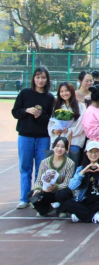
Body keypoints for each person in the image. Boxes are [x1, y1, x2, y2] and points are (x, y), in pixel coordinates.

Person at [12, 67, 56, 209]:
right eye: (37, 77)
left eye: (43, 77)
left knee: (41, 169)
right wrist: (26, 110)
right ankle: (24, 198)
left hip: (43, 137)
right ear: (33, 79)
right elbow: (15, 112)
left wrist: (40, 115)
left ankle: (37, 198)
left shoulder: (50, 98)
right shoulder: (25, 93)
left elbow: (51, 119)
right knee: (25, 168)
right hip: (25, 136)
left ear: (47, 79)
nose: (40, 80)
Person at [64, 141, 99, 224]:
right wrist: (82, 173)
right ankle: (94, 217)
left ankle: (81, 215)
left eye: (96, 151)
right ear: (86, 153)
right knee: (67, 203)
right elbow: (71, 186)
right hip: (85, 202)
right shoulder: (80, 169)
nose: (93, 154)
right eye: (91, 152)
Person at [31, 137, 75, 217]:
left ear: (66, 149)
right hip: (46, 191)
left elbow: (67, 183)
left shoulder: (70, 163)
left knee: (63, 194)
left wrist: (55, 187)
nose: (59, 149)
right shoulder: (44, 162)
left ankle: (62, 209)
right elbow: (39, 180)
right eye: (57, 146)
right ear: (53, 147)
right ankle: (45, 209)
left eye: (62, 147)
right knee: (31, 194)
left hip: (60, 191)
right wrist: (38, 189)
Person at [48, 82, 86, 153]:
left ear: (71, 91)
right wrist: (54, 130)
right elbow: (51, 123)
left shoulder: (81, 106)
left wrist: (68, 131)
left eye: (66, 91)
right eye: (61, 91)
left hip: (73, 141)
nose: (64, 93)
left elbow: (81, 125)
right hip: (58, 142)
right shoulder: (57, 106)